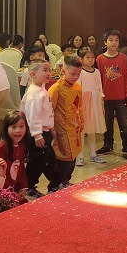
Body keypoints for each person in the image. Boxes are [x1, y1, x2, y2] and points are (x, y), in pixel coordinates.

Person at [20, 60, 58, 198]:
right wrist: (37, 135)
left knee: (41, 160)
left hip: (44, 131)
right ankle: (34, 186)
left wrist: (51, 128)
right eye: (45, 70)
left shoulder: (41, 90)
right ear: (33, 74)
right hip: (37, 133)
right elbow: (33, 116)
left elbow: (45, 113)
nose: (49, 73)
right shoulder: (34, 94)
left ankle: (44, 184)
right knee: (41, 161)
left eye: (49, 70)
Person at [95, 29, 127, 158]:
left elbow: (126, 77)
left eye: (116, 40)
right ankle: (108, 145)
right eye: (110, 40)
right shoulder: (100, 58)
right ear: (105, 42)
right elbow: (99, 79)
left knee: (124, 124)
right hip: (106, 98)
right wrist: (99, 96)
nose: (114, 42)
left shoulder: (123, 57)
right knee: (107, 123)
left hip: (121, 97)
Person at [48, 55, 84, 190]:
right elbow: (49, 109)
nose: (76, 77)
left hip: (74, 127)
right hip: (61, 128)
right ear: (63, 71)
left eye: (78, 74)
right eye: (72, 74)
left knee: (73, 155)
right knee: (64, 157)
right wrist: (51, 128)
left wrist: (82, 121)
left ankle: (66, 180)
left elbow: (80, 106)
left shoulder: (77, 87)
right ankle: (55, 184)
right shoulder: (56, 88)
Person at [77, 47, 106, 165]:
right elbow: (78, 88)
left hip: (95, 102)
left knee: (92, 129)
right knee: (82, 130)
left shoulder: (97, 72)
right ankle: (79, 156)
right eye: (87, 57)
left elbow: (100, 88)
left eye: (92, 57)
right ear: (81, 59)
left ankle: (93, 154)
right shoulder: (80, 72)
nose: (90, 60)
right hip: (84, 102)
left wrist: (101, 103)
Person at [0, 110, 31, 200]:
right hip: (3, 193)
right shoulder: (2, 147)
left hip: (14, 190)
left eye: (21, 126)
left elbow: (20, 168)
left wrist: (22, 188)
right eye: (13, 127)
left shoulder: (21, 145)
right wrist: (9, 191)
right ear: (6, 128)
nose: (18, 130)